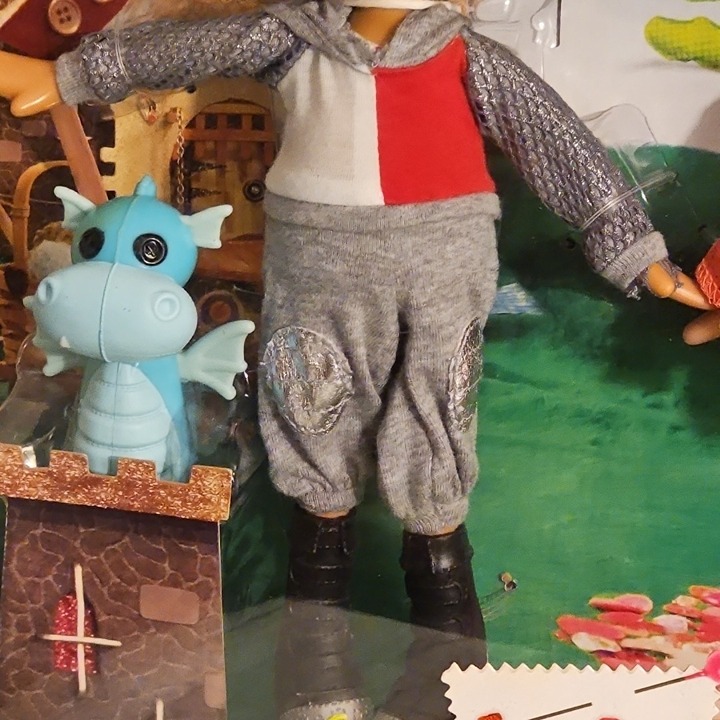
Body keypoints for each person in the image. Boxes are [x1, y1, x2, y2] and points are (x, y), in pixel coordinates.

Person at [0, 0, 709, 651]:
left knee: (438, 408)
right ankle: (319, 627)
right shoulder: (292, 37)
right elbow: (188, 47)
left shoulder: (466, 55)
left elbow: (553, 139)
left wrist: (632, 247)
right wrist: (66, 76)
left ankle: (445, 626)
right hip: (318, 259)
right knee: (310, 400)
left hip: (442, 257)